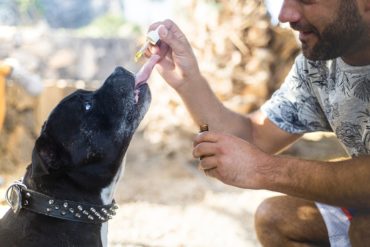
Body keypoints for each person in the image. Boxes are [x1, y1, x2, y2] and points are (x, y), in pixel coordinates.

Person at [146, 0, 370, 246]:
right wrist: (188, 80)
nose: (285, 15)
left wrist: (265, 169)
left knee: (363, 231)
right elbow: (254, 136)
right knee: (277, 219)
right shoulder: (318, 68)